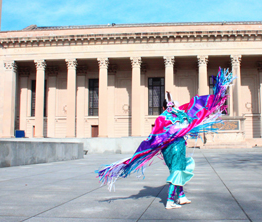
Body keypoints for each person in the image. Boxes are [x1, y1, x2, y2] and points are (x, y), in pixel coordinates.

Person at [96, 68, 234, 209]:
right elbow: (195, 112)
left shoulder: (162, 118)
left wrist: (147, 149)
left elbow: (154, 137)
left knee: (176, 170)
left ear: (163, 107)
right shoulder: (179, 115)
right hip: (177, 147)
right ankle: (170, 201)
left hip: (167, 150)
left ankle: (181, 197)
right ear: (171, 105)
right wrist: (215, 99)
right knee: (177, 171)